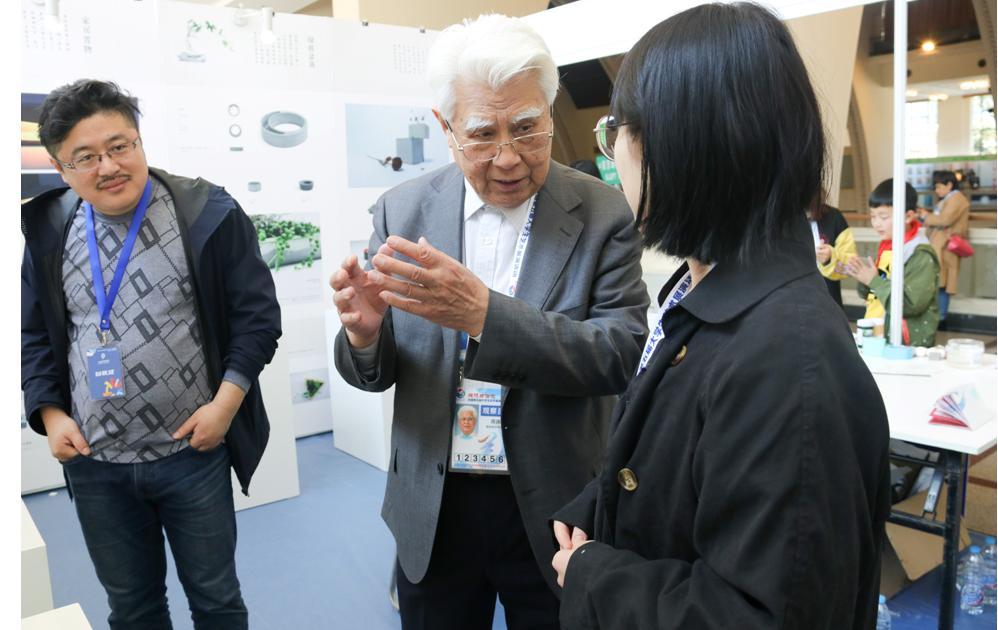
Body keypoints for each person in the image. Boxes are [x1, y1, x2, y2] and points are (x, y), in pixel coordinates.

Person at [549, 5, 890, 629]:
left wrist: (595, 575)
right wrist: (600, 510)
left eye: (614, 131)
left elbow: (760, 613)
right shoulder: (710, 297)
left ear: (681, 143)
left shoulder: (784, 358)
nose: (611, 154)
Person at [331, 14, 649, 630]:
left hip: (555, 502)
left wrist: (484, 315)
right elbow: (376, 372)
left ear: (550, 112)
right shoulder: (403, 210)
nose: (508, 158)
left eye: (527, 128)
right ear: (445, 128)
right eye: (482, 134)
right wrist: (364, 336)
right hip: (434, 499)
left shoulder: (603, 212)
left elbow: (620, 352)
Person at [21, 79, 281, 629]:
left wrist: (225, 406)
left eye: (120, 146)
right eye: (86, 157)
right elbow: (34, 334)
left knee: (216, 601)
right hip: (96, 463)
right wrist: (50, 413)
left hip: (192, 453)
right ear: (61, 167)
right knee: (133, 609)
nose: (109, 166)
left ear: (139, 140)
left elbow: (257, 320)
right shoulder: (50, 228)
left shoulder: (207, 212)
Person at [844, 179, 940, 347]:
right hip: (878, 335)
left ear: (908, 216)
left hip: (903, 345)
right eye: (873, 216)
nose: (876, 223)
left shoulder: (920, 254)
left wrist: (872, 280)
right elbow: (872, 294)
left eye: (883, 217)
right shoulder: (887, 246)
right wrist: (861, 274)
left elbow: (910, 305)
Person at [921, 169, 970, 324]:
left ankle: (941, 317)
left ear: (949, 184)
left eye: (938, 186)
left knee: (943, 283)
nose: (937, 190)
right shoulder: (949, 199)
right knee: (940, 281)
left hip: (946, 247)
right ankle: (938, 316)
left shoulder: (957, 200)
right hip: (941, 245)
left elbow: (944, 219)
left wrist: (925, 216)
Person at [808, 202, 856, 307]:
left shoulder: (833, 216)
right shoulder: (778, 218)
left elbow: (851, 265)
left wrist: (830, 258)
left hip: (826, 302)